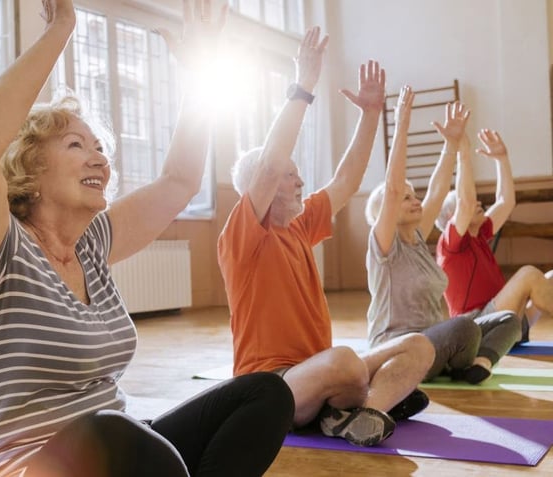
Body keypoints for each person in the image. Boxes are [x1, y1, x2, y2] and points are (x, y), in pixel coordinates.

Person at [0, 1, 295, 476]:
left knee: (265, 394)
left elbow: (179, 180)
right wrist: (61, 29)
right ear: (30, 170)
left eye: (100, 148)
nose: (99, 160)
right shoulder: (2, 248)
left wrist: (200, 77)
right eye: (77, 145)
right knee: (113, 432)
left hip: (112, 453)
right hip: (23, 466)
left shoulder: (93, 244)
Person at [218, 26, 434, 449]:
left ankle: (363, 412)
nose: (300, 183)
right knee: (346, 363)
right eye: (289, 177)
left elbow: (346, 180)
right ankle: (353, 407)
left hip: (318, 369)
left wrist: (372, 114)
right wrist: (303, 86)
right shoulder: (242, 236)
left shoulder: (300, 224)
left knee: (417, 347)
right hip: (271, 387)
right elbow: (269, 163)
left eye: (299, 176)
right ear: (259, 190)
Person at [365, 91, 523, 386]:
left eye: (415, 196)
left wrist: (451, 145)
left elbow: (437, 191)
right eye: (406, 198)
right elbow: (393, 188)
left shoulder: (418, 238)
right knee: (463, 327)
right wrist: (402, 124)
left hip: (436, 341)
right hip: (398, 348)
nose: (415, 200)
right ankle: (455, 361)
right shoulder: (384, 246)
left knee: (509, 319)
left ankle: (476, 364)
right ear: (386, 211)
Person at [435, 129, 553, 342]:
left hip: (502, 321)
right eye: (472, 203)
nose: (478, 203)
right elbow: (466, 202)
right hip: (475, 328)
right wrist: (463, 153)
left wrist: (501, 159)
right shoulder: (450, 245)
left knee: (551, 277)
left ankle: (514, 334)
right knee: (527, 274)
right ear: (453, 216)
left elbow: (506, 201)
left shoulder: (479, 234)